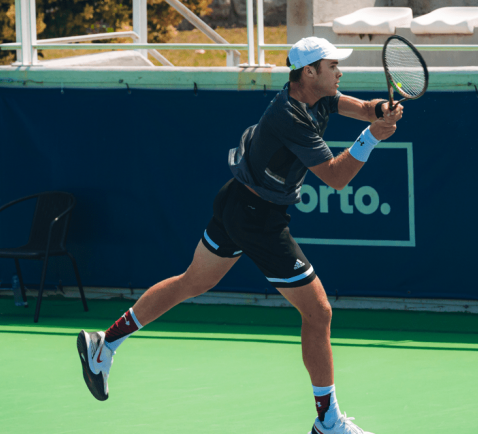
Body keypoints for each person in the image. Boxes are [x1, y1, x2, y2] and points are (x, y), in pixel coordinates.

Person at [76, 36, 403, 434]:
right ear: (310, 72)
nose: (340, 72)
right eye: (333, 66)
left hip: (234, 203)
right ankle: (328, 422)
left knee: (190, 282)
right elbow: (335, 177)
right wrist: (371, 137)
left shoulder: (317, 97)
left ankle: (103, 344)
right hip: (258, 219)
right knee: (318, 313)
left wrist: (380, 111)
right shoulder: (291, 117)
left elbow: (366, 108)